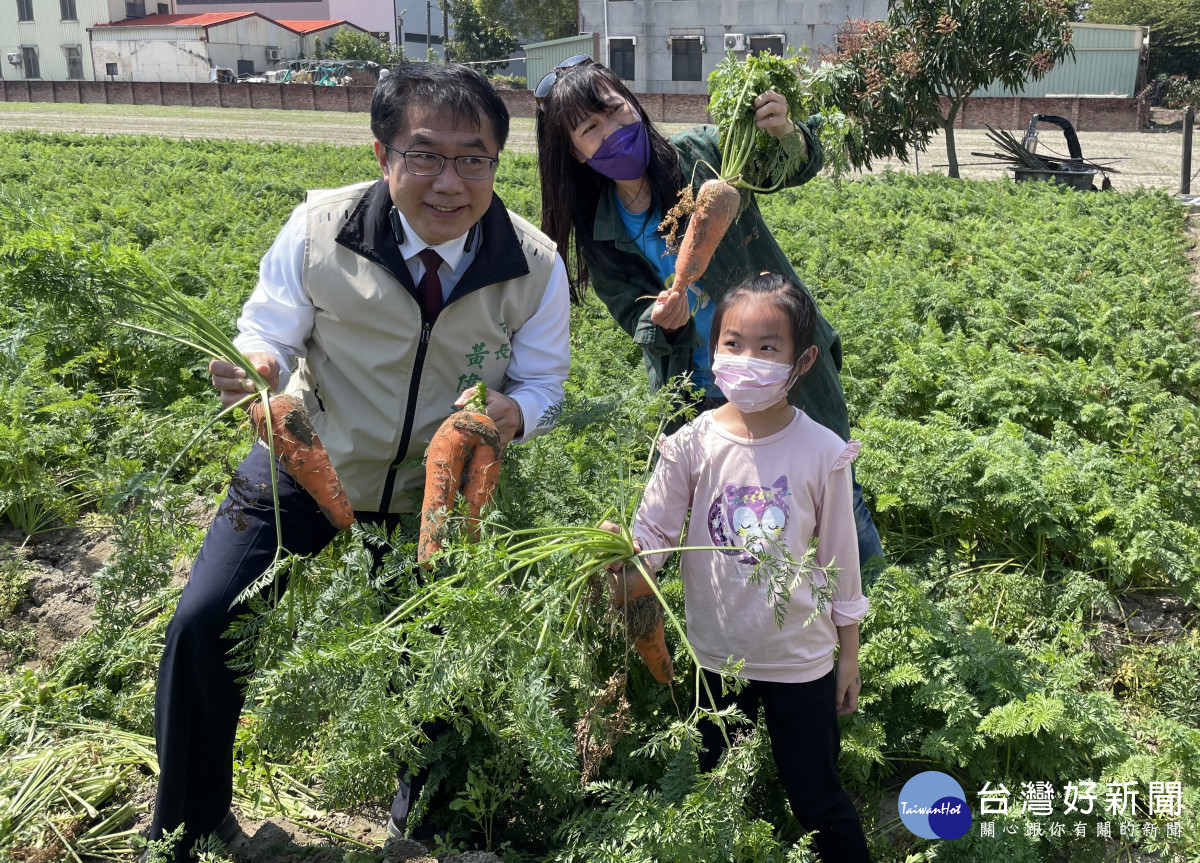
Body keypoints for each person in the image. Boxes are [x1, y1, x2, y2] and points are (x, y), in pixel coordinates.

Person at [145, 62, 571, 861]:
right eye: (425, 155)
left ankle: (426, 829)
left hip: (433, 491)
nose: (449, 181)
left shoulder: (535, 263)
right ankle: (188, 821)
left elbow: (543, 378)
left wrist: (517, 413)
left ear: (495, 165)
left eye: (473, 158)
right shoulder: (319, 229)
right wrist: (255, 366)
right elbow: (266, 330)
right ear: (383, 156)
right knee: (205, 620)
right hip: (313, 455)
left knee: (447, 649)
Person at [534, 57, 884, 575]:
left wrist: (786, 132)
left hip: (781, 363)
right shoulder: (602, 230)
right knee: (744, 505)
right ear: (578, 155)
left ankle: (865, 596)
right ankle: (767, 604)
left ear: (633, 104)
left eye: (614, 111)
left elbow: (795, 165)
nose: (613, 131)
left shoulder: (702, 157)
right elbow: (633, 321)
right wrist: (660, 319)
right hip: (702, 387)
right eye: (591, 129)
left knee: (829, 479)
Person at [607, 273, 871, 862]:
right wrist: (622, 551)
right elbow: (653, 533)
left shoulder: (822, 451)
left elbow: (838, 562)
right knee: (711, 789)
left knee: (816, 798)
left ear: (802, 361)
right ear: (712, 349)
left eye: (767, 348)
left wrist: (846, 656)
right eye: (732, 344)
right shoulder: (690, 443)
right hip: (713, 655)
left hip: (799, 663)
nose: (747, 360)